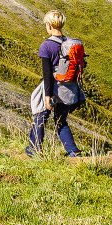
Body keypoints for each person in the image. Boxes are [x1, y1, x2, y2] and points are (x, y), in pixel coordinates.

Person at [26, 10, 84, 158]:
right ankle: (73, 151)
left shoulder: (46, 46)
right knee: (60, 120)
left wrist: (47, 96)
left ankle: (34, 149)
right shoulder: (70, 43)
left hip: (54, 88)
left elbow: (47, 74)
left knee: (40, 117)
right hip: (70, 88)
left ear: (50, 25)